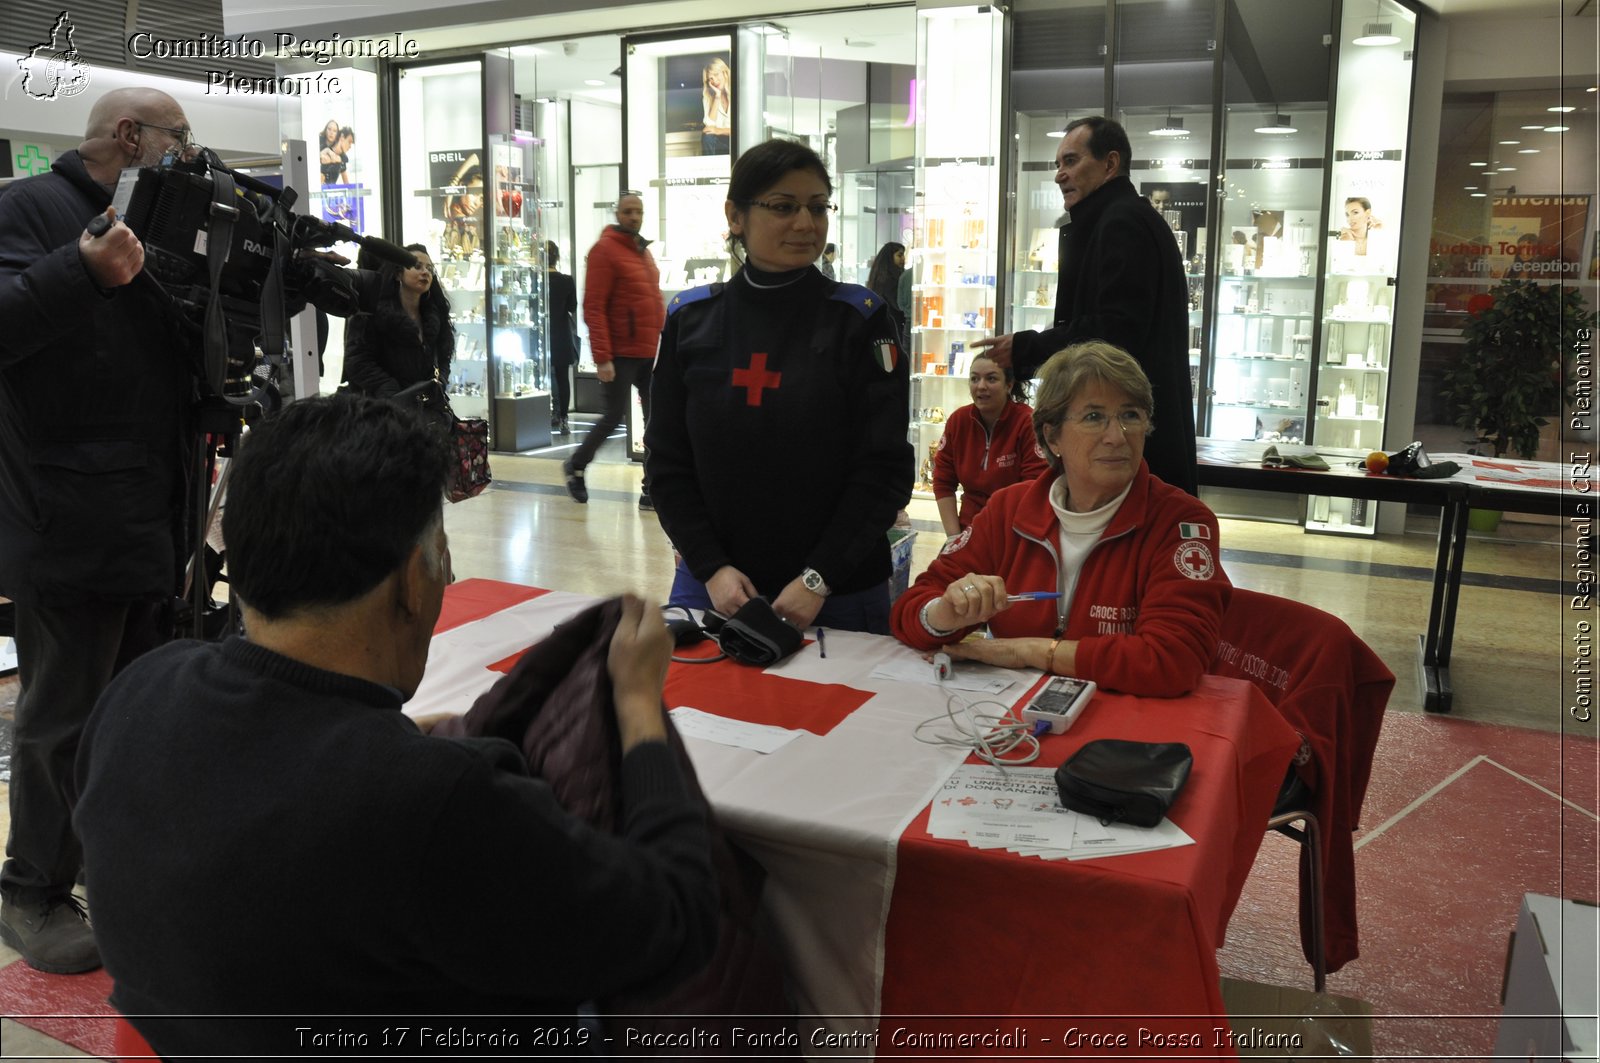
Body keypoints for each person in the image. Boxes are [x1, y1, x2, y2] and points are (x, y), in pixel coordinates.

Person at [72, 395, 719, 1053]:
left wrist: (394, 745)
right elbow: (679, 921)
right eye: (442, 550)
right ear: (414, 579)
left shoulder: (138, 694)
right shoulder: (431, 800)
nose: (450, 573)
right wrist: (638, 706)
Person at [0, 87, 200, 974]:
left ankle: (118, 871)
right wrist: (84, 271)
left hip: (152, 516)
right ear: (130, 136)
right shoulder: (29, 208)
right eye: (178, 139)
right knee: (59, 718)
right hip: (65, 521)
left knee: (138, 709)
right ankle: (28, 891)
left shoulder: (166, 218)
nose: (188, 154)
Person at [646, 138, 913, 635]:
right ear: (735, 215)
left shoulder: (859, 322)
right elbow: (666, 462)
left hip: (837, 592)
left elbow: (884, 470)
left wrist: (818, 578)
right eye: (783, 207)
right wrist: (712, 568)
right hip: (713, 586)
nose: (805, 224)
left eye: (817, 207)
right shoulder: (690, 320)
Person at [891, 341, 1228, 698]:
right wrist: (945, 614)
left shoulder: (1181, 522)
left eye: (1131, 415)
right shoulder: (1009, 510)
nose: (1117, 437)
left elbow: (1172, 660)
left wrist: (1027, 651)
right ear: (1052, 437)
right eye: (1094, 417)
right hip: (1011, 722)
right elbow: (909, 612)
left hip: (1127, 734)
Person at [973, 116, 1197, 496]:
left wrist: (1027, 347)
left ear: (1110, 163)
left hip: (1125, 435)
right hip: (1131, 428)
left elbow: (1114, 333)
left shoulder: (1121, 221)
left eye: (1071, 161)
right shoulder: (1120, 218)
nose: (1061, 174)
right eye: (1058, 164)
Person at [564, 192, 665, 508]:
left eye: (638, 211)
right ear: (617, 213)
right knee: (612, 417)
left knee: (657, 421)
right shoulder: (604, 251)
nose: (634, 217)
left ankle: (651, 487)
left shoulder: (642, 251)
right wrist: (603, 358)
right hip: (621, 353)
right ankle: (577, 465)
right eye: (628, 211)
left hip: (649, 351)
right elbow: (594, 307)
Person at [932, 353, 1049, 538]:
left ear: (1009, 385)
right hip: (968, 530)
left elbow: (1033, 487)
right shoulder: (958, 421)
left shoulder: (1027, 422)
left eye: (991, 379)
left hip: (1015, 533)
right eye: (974, 378)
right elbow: (943, 481)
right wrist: (954, 538)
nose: (981, 386)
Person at [340, 244, 453, 400]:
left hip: (427, 406)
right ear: (398, 274)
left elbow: (444, 354)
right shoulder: (373, 313)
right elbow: (357, 361)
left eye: (429, 268)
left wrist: (441, 382)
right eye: (417, 266)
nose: (425, 272)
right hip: (384, 408)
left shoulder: (435, 315)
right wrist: (388, 389)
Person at [547, 239, 579, 434]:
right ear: (557, 258)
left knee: (542, 377)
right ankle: (563, 418)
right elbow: (572, 308)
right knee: (562, 377)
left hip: (542, 333)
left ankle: (551, 412)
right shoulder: (567, 281)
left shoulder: (537, 280)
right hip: (561, 333)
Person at [865, 241, 907, 349]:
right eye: (899, 255)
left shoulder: (880, 276)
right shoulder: (889, 280)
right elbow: (898, 304)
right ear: (889, 257)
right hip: (892, 327)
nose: (903, 259)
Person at [701, 57, 732, 155]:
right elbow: (709, 126)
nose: (714, 80)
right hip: (719, 142)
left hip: (737, 140)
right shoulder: (708, 97)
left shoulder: (738, 92)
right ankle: (709, 168)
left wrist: (719, 130)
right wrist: (717, 97)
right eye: (710, 78)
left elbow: (744, 129)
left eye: (716, 74)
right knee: (707, 136)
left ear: (725, 73)